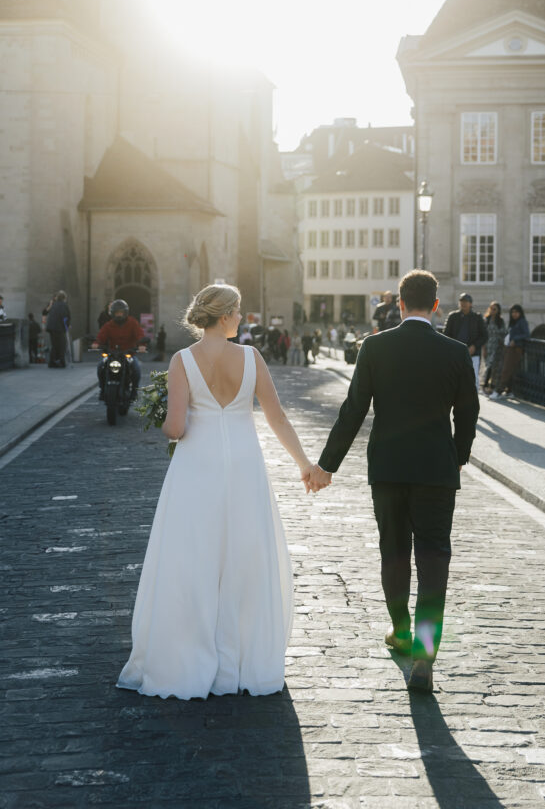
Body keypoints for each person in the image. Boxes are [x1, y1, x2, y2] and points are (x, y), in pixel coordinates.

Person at [116, 283, 321, 699]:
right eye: (239, 311)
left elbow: (176, 428)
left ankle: (191, 654)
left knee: (193, 557)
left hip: (198, 468)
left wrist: (167, 415)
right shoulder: (250, 357)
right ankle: (242, 658)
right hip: (244, 467)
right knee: (244, 558)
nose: (242, 318)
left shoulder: (181, 360)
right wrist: (305, 465)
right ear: (225, 315)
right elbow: (277, 417)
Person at [309, 270, 479, 694]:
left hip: (387, 470)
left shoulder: (375, 348)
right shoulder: (456, 353)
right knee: (435, 557)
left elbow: (353, 410)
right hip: (437, 473)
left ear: (399, 304)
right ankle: (424, 652)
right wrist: (457, 458)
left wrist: (327, 465)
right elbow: (469, 415)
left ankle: (401, 630)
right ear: (437, 305)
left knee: (394, 552)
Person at [92, 299, 146, 399]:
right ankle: (102, 389)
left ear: (125, 312)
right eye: (117, 313)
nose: (119, 315)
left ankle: (134, 391)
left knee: (136, 368)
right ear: (112, 313)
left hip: (128, 353)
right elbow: (101, 336)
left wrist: (142, 344)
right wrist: (96, 343)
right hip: (113, 354)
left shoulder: (132, 323)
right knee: (100, 367)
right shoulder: (109, 325)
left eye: (121, 312)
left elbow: (140, 334)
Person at [443, 293, 487, 392]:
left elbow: (484, 336)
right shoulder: (453, 316)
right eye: (461, 302)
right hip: (456, 352)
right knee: (455, 377)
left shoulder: (477, 317)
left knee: (474, 377)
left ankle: (474, 400)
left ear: (470, 304)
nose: (463, 304)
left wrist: (474, 346)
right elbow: (446, 334)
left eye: (466, 302)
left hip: (473, 353)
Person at [494, 303, 530, 399]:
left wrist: (515, 340)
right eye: (512, 312)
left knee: (506, 369)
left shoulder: (522, 321)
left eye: (516, 312)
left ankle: (498, 391)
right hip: (508, 347)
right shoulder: (513, 322)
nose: (514, 314)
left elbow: (526, 334)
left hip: (516, 348)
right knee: (509, 370)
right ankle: (509, 391)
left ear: (520, 313)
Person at [481, 301, 506, 396]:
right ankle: (484, 385)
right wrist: (484, 348)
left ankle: (492, 386)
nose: (492, 311)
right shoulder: (486, 320)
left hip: (497, 347)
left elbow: (504, 332)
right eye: (491, 308)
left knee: (495, 367)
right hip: (488, 346)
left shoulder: (500, 321)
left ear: (498, 310)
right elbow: (483, 334)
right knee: (488, 366)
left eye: (494, 309)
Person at [46, 290, 71, 368]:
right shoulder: (64, 305)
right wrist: (67, 326)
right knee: (62, 345)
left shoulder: (54, 305)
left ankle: (52, 362)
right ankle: (61, 362)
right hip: (59, 328)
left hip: (52, 327)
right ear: (64, 298)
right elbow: (65, 317)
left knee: (54, 345)